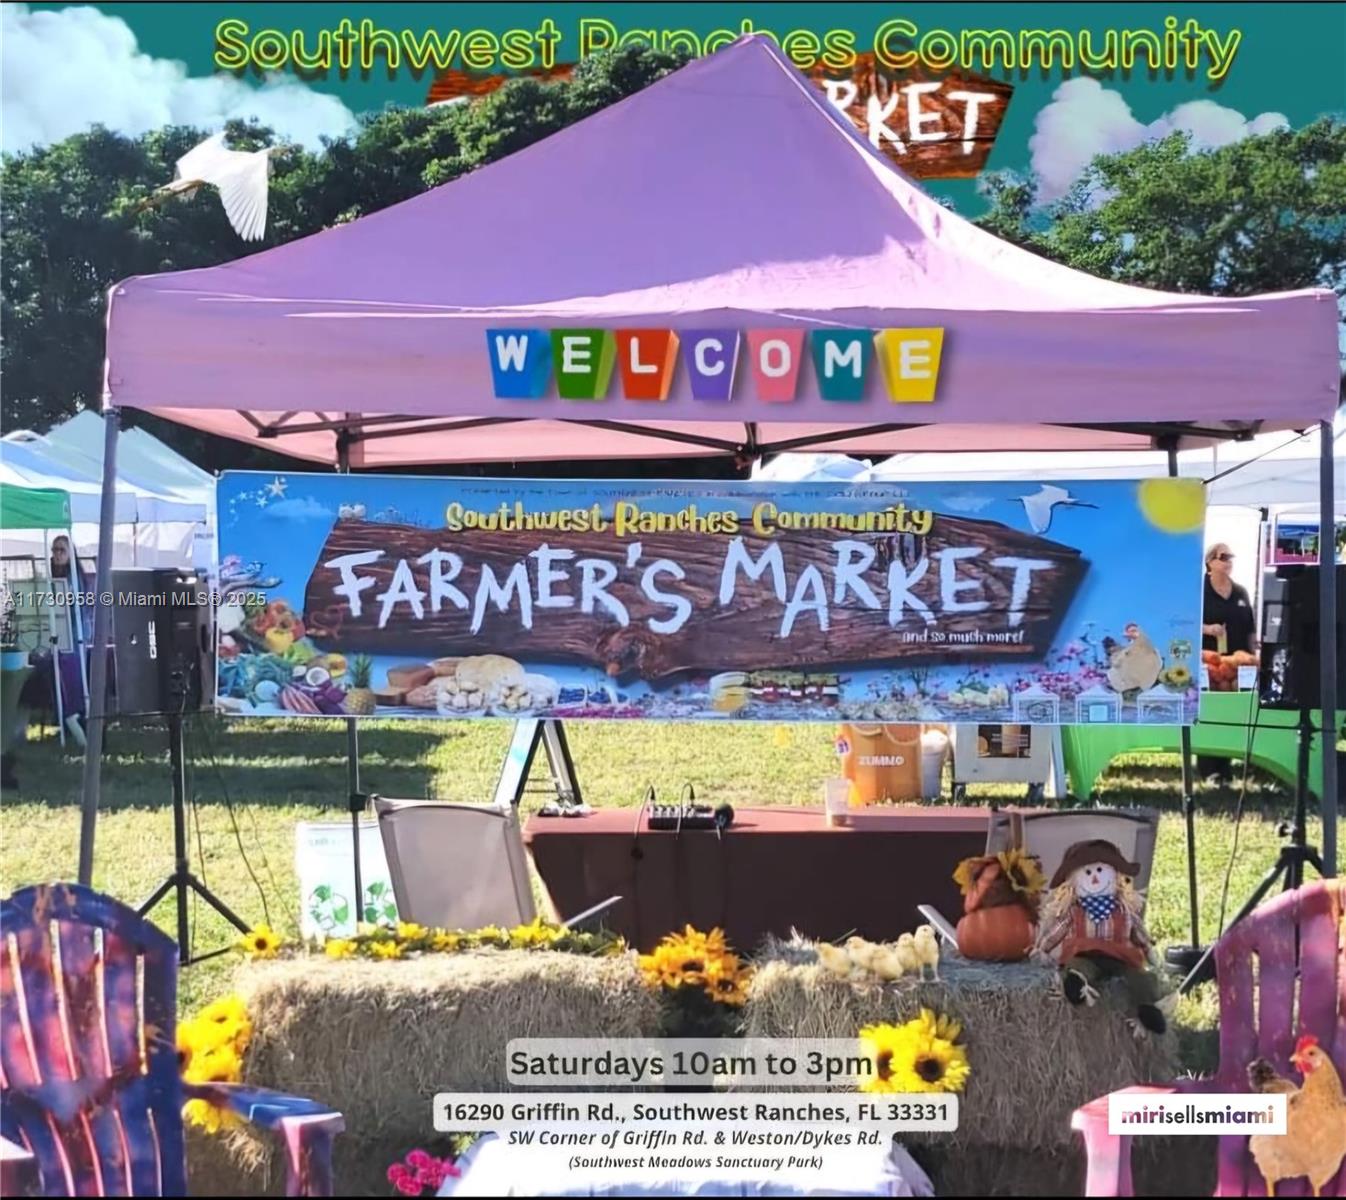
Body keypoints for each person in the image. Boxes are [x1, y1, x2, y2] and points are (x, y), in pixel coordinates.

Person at [1199, 543, 1256, 786]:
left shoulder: (1240, 592)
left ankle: (1226, 766)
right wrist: (1207, 629)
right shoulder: (1198, 590)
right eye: (1223, 557)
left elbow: (1251, 628)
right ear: (1210, 562)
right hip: (1208, 664)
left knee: (1234, 713)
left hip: (1236, 665)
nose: (1229, 561)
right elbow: (1184, 622)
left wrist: (1254, 657)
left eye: (1231, 557)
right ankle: (1209, 768)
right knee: (1210, 712)